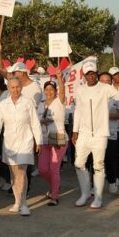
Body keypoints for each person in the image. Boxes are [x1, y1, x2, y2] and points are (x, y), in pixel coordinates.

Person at [71, 61, 119, 209]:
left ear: (97, 73)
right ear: (85, 75)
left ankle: (98, 197)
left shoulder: (105, 88)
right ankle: (85, 193)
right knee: (79, 164)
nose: (91, 76)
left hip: (100, 134)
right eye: (88, 74)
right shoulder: (80, 90)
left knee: (98, 166)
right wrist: (75, 131)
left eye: (93, 73)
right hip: (83, 133)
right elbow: (78, 111)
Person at [0, 78, 43, 216]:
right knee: (14, 175)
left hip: (25, 142)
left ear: (21, 87)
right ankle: (17, 202)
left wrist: (38, 141)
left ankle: (24, 204)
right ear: (8, 88)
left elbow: (35, 123)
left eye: (18, 87)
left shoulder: (28, 102)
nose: (15, 90)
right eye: (12, 87)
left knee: (21, 172)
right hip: (9, 144)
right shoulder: (3, 104)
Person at [37, 74, 67, 206]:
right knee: (42, 169)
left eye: (52, 90)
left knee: (54, 168)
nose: (49, 92)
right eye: (47, 89)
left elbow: (62, 89)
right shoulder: (40, 104)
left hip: (57, 136)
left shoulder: (59, 101)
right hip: (44, 138)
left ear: (55, 91)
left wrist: (59, 77)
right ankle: (56, 185)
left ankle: (54, 195)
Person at [99, 71, 119, 194]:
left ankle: (112, 181)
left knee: (109, 160)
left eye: (107, 81)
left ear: (111, 83)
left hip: (111, 133)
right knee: (96, 160)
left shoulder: (117, 95)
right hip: (96, 134)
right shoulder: (93, 94)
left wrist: (107, 116)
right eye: (102, 81)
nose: (104, 84)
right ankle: (95, 186)